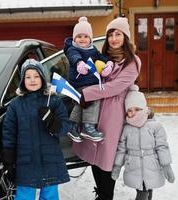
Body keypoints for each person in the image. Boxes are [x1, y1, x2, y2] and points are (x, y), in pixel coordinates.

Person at [72, 17, 141, 200]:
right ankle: (101, 194)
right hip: (94, 113)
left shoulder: (132, 62)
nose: (113, 38)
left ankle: (106, 195)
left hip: (113, 116)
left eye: (118, 34)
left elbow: (115, 87)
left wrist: (87, 93)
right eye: (110, 34)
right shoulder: (102, 58)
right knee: (94, 155)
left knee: (107, 157)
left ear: (125, 37)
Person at [2, 59, 70, 200]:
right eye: (28, 77)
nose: (32, 80)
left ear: (42, 78)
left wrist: (52, 121)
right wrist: (9, 157)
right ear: (22, 81)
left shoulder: (53, 101)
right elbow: (9, 132)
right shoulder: (16, 105)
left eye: (36, 76)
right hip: (25, 160)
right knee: (24, 194)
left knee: (50, 195)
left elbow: (65, 127)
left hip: (50, 158)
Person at [111, 84, 175, 200]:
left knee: (146, 191)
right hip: (134, 167)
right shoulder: (127, 129)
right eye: (129, 110)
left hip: (151, 166)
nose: (133, 113)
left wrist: (166, 166)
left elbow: (162, 147)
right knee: (144, 191)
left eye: (137, 109)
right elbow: (121, 149)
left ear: (144, 108)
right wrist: (117, 166)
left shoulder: (155, 126)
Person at [63, 16, 113, 142]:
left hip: (89, 82)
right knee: (92, 98)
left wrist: (108, 64)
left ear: (90, 38)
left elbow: (100, 57)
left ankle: (72, 126)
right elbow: (73, 56)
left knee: (82, 104)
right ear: (74, 38)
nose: (82, 39)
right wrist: (79, 63)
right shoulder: (72, 48)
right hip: (79, 81)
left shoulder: (93, 49)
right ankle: (88, 127)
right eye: (79, 36)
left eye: (86, 36)